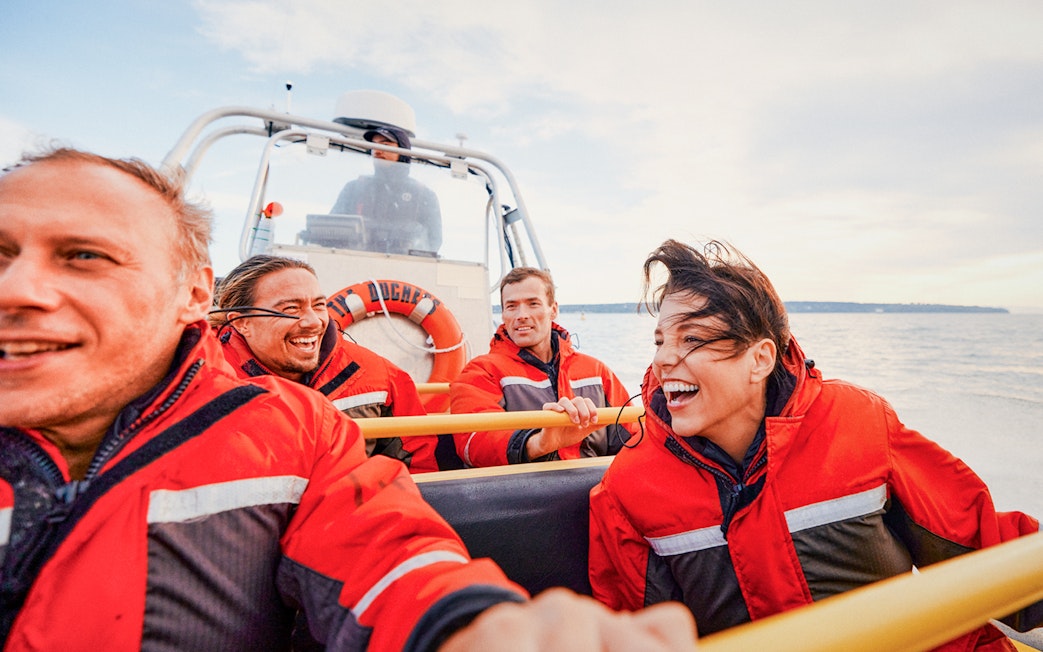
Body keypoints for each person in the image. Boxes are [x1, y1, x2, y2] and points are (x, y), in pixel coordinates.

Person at [0, 148, 698, 651]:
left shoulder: (294, 432)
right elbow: (469, 439)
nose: (18, 288)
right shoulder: (476, 375)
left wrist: (470, 627)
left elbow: (390, 554)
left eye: (83, 255)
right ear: (223, 313)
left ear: (190, 294)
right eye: (2, 253)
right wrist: (539, 440)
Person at [588, 239, 1042, 649]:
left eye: (692, 339)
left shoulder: (857, 422)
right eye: (661, 339)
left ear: (760, 359)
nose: (665, 358)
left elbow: (976, 539)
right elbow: (641, 634)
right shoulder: (629, 487)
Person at [210, 254, 454, 473]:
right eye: (291, 309)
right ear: (241, 322)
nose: (313, 321)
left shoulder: (379, 376)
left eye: (318, 305)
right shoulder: (202, 382)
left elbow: (418, 469)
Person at [450, 267, 638, 467]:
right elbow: (472, 443)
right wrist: (538, 444)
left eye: (533, 304)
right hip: (523, 492)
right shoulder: (481, 372)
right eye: (511, 306)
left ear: (553, 310)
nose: (521, 315)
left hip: (594, 486)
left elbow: (634, 435)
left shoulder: (597, 372)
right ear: (503, 313)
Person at [330, 126, 442, 255]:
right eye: (374, 146)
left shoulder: (423, 194)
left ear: (403, 152)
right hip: (357, 263)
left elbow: (434, 241)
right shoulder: (354, 189)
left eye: (385, 145)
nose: (377, 151)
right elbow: (332, 228)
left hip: (404, 268)